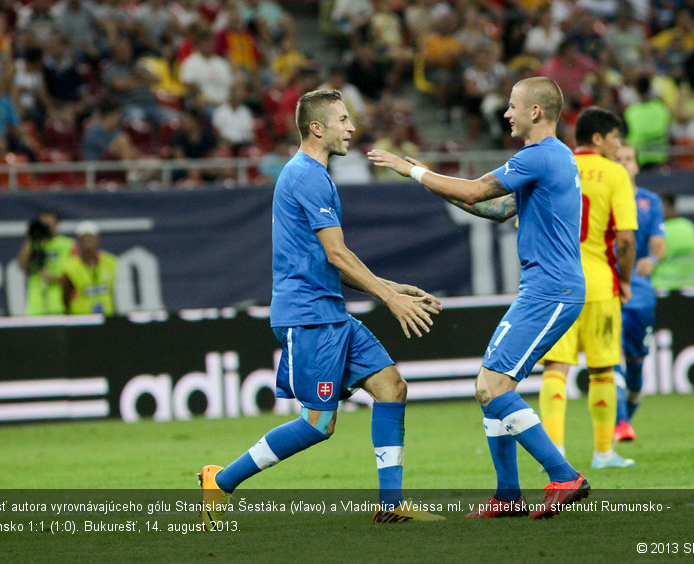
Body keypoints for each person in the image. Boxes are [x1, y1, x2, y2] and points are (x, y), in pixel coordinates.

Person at [198, 89, 444, 528]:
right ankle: (220, 481)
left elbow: (331, 260)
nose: (352, 127)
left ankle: (391, 504)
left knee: (392, 387)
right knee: (317, 425)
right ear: (317, 127)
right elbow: (336, 254)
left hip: (330, 312)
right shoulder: (307, 176)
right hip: (308, 316)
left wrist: (394, 287)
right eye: (343, 119)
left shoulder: (315, 175)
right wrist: (390, 300)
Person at [368, 76, 590, 520]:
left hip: (552, 290)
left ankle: (565, 477)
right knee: (489, 387)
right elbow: (496, 208)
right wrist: (430, 182)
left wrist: (411, 170)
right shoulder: (550, 158)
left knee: (492, 386)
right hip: (544, 288)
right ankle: (508, 495)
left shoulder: (540, 156)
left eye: (512, 106)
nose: (505, 113)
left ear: (535, 112)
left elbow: (474, 190)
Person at [539, 106, 638, 470]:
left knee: (555, 369)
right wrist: (625, 279)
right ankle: (603, 453)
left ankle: (555, 454)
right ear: (597, 139)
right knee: (602, 372)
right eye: (615, 139)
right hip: (598, 285)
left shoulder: (552, 165)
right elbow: (625, 240)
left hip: (556, 285)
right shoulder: (615, 173)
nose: (618, 146)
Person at [613, 143, 666, 443]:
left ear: (636, 165)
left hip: (641, 292)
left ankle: (625, 419)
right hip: (608, 289)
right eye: (618, 158)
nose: (623, 163)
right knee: (612, 356)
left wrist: (653, 259)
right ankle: (620, 422)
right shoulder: (602, 200)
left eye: (628, 158)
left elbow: (658, 240)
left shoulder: (650, 201)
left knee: (635, 361)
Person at [16, 208, 75, 316]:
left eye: (48, 223)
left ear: (57, 223)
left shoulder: (68, 245)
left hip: (58, 304)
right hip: (36, 307)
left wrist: (53, 278)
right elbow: (21, 266)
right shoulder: (34, 245)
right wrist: (30, 240)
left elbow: (75, 277)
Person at [61, 221, 117, 315]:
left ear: (97, 239)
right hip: (81, 318)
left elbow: (114, 291)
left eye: (91, 239)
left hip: (107, 317)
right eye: (85, 239)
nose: (88, 243)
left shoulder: (110, 262)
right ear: (79, 242)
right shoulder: (70, 267)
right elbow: (66, 296)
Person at [652, 193, 694, 290]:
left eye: (659, 206)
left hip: (661, 288)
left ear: (670, 206)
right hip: (687, 288)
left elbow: (653, 257)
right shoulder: (689, 226)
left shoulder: (659, 231)